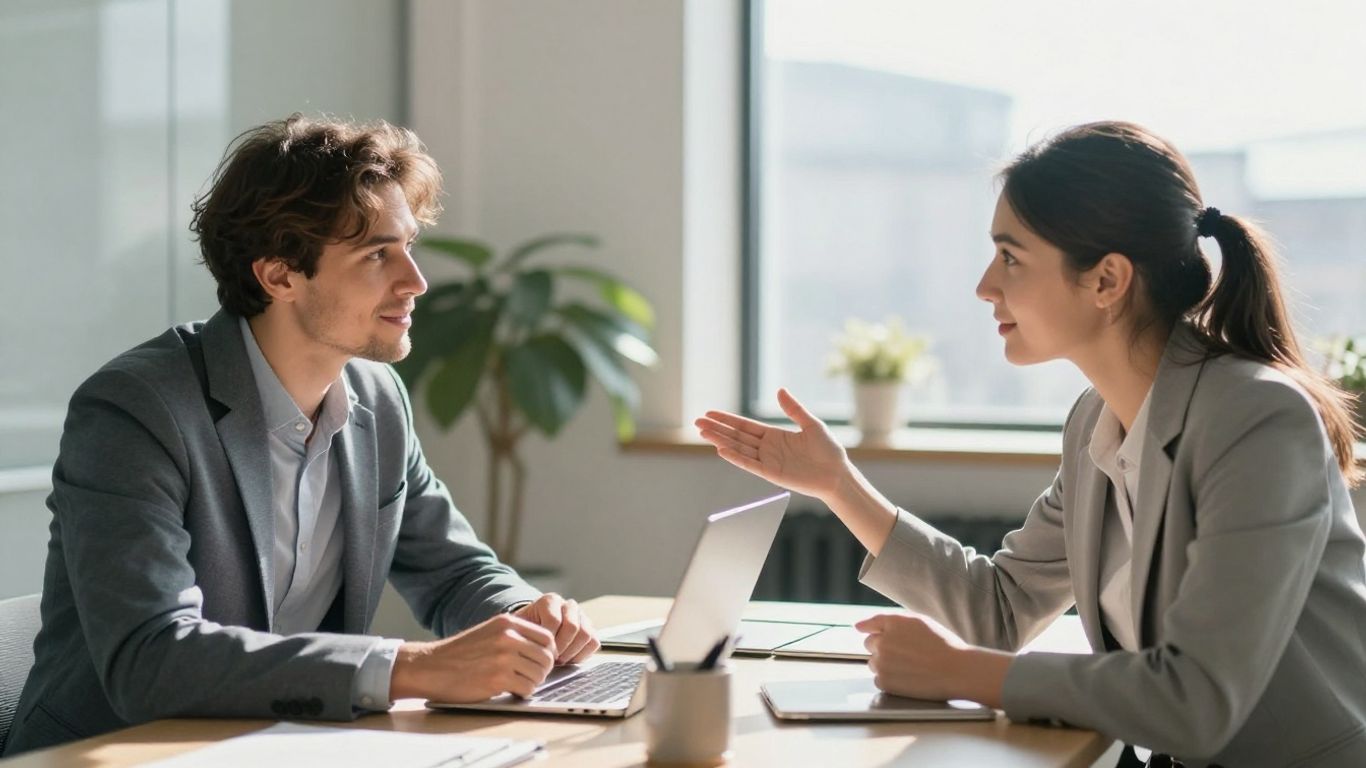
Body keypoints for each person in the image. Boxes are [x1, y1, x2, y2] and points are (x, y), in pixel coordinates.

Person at [696, 121, 1366, 767]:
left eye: (1011, 256)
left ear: (1107, 280)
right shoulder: (1094, 423)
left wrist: (965, 674)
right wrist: (838, 485)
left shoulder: (1257, 419)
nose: (986, 285)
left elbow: (1197, 700)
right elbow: (1001, 609)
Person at [4, 115, 600, 756]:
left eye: (408, 247)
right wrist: (410, 668)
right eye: (377, 254)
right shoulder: (137, 410)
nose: (415, 281)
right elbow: (151, 657)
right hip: (117, 753)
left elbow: (454, 573)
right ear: (280, 276)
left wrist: (527, 616)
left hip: (279, 745)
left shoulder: (376, 399)